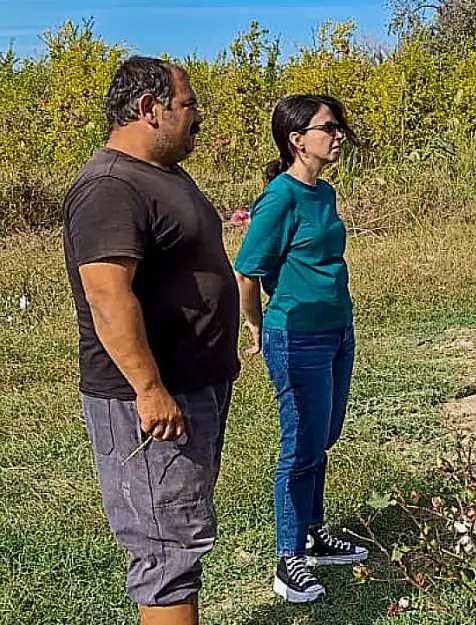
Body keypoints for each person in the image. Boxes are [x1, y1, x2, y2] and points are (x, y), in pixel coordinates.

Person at [62, 56, 240, 625]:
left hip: (194, 386)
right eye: (188, 105)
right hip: (154, 400)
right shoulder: (110, 187)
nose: (198, 116)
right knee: (165, 551)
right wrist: (149, 388)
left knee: (181, 531)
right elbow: (107, 296)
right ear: (149, 108)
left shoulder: (161, 172)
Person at [234, 95, 368, 604]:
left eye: (337, 126)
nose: (337, 135)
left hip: (336, 331)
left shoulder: (324, 193)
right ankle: (288, 557)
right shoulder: (280, 198)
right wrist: (254, 325)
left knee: (323, 435)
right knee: (301, 444)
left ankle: (314, 534)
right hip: (295, 336)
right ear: (297, 140)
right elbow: (246, 270)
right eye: (327, 127)